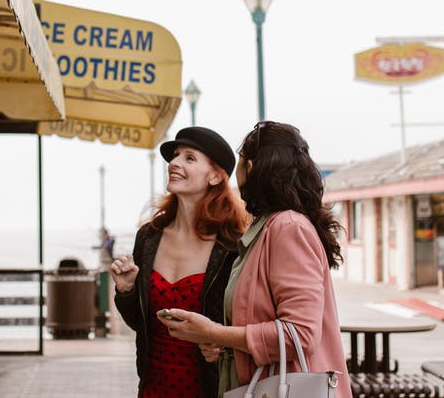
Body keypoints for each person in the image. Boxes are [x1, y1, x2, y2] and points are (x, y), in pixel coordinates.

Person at [159, 121, 351, 398]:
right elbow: (263, 319)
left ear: (250, 168)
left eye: (238, 163)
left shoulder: (287, 227)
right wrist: (222, 343)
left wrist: (215, 333)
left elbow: (300, 334)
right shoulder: (269, 227)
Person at [110, 126, 249, 398]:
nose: (173, 163)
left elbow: (247, 322)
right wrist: (126, 290)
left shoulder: (232, 246)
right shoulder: (148, 237)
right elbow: (141, 323)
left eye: (189, 158)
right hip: (153, 387)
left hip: (210, 388)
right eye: (175, 156)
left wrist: (222, 343)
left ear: (214, 176)